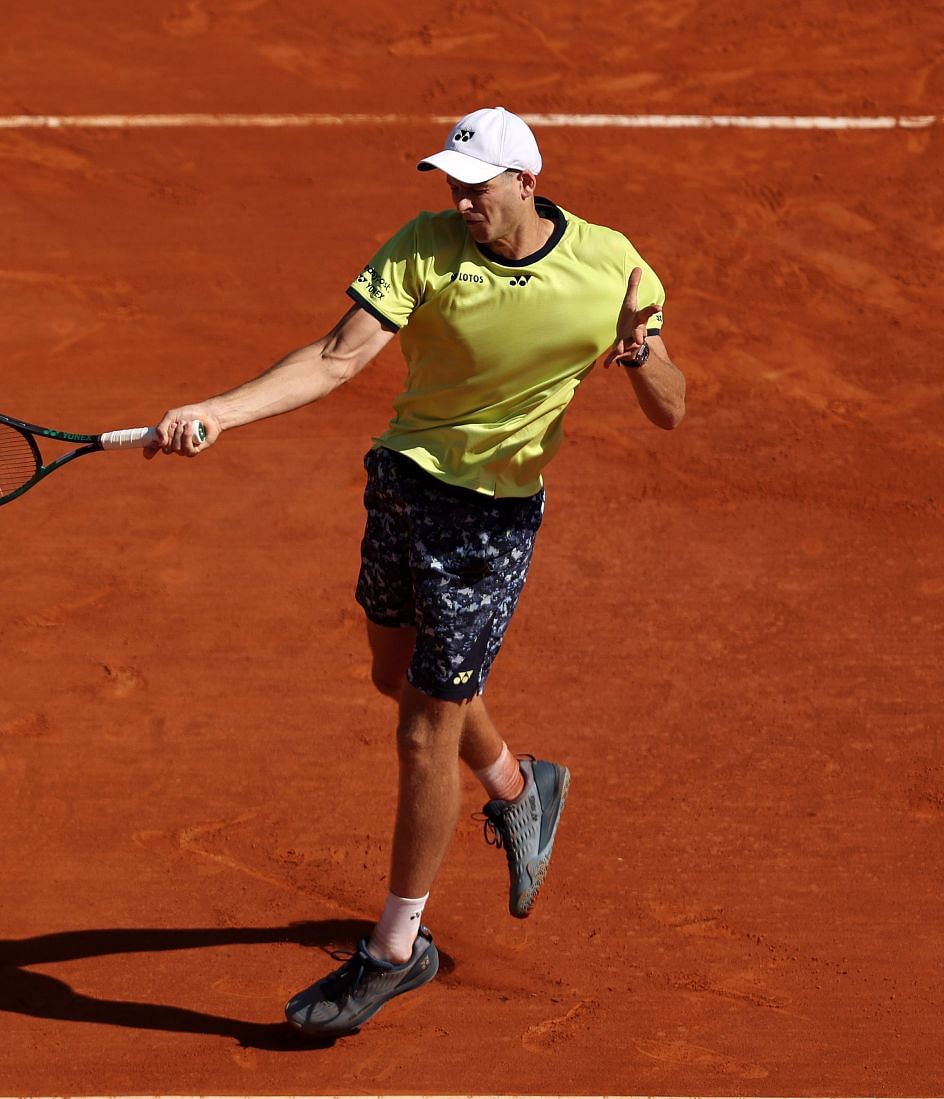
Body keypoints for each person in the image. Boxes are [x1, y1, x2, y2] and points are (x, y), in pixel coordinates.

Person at [149, 106, 686, 1038]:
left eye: (478, 186)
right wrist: (222, 411)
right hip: (402, 483)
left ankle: (397, 949)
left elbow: (672, 408)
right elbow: (334, 357)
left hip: (490, 519)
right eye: (452, 183)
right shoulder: (425, 247)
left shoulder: (610, 268)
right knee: (394, 675)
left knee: (423, 727)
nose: (461, 199)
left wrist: (636, 351)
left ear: (527, 181)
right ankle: (523, 787)